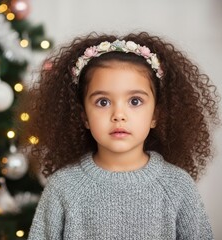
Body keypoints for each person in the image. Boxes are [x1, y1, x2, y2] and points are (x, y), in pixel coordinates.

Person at [19, 32, 220, 240]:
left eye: (135, 101)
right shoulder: (63, 188)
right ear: (84, 116)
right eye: (103, 102)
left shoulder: (177, 187)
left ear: (155, 115)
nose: (118, 116)